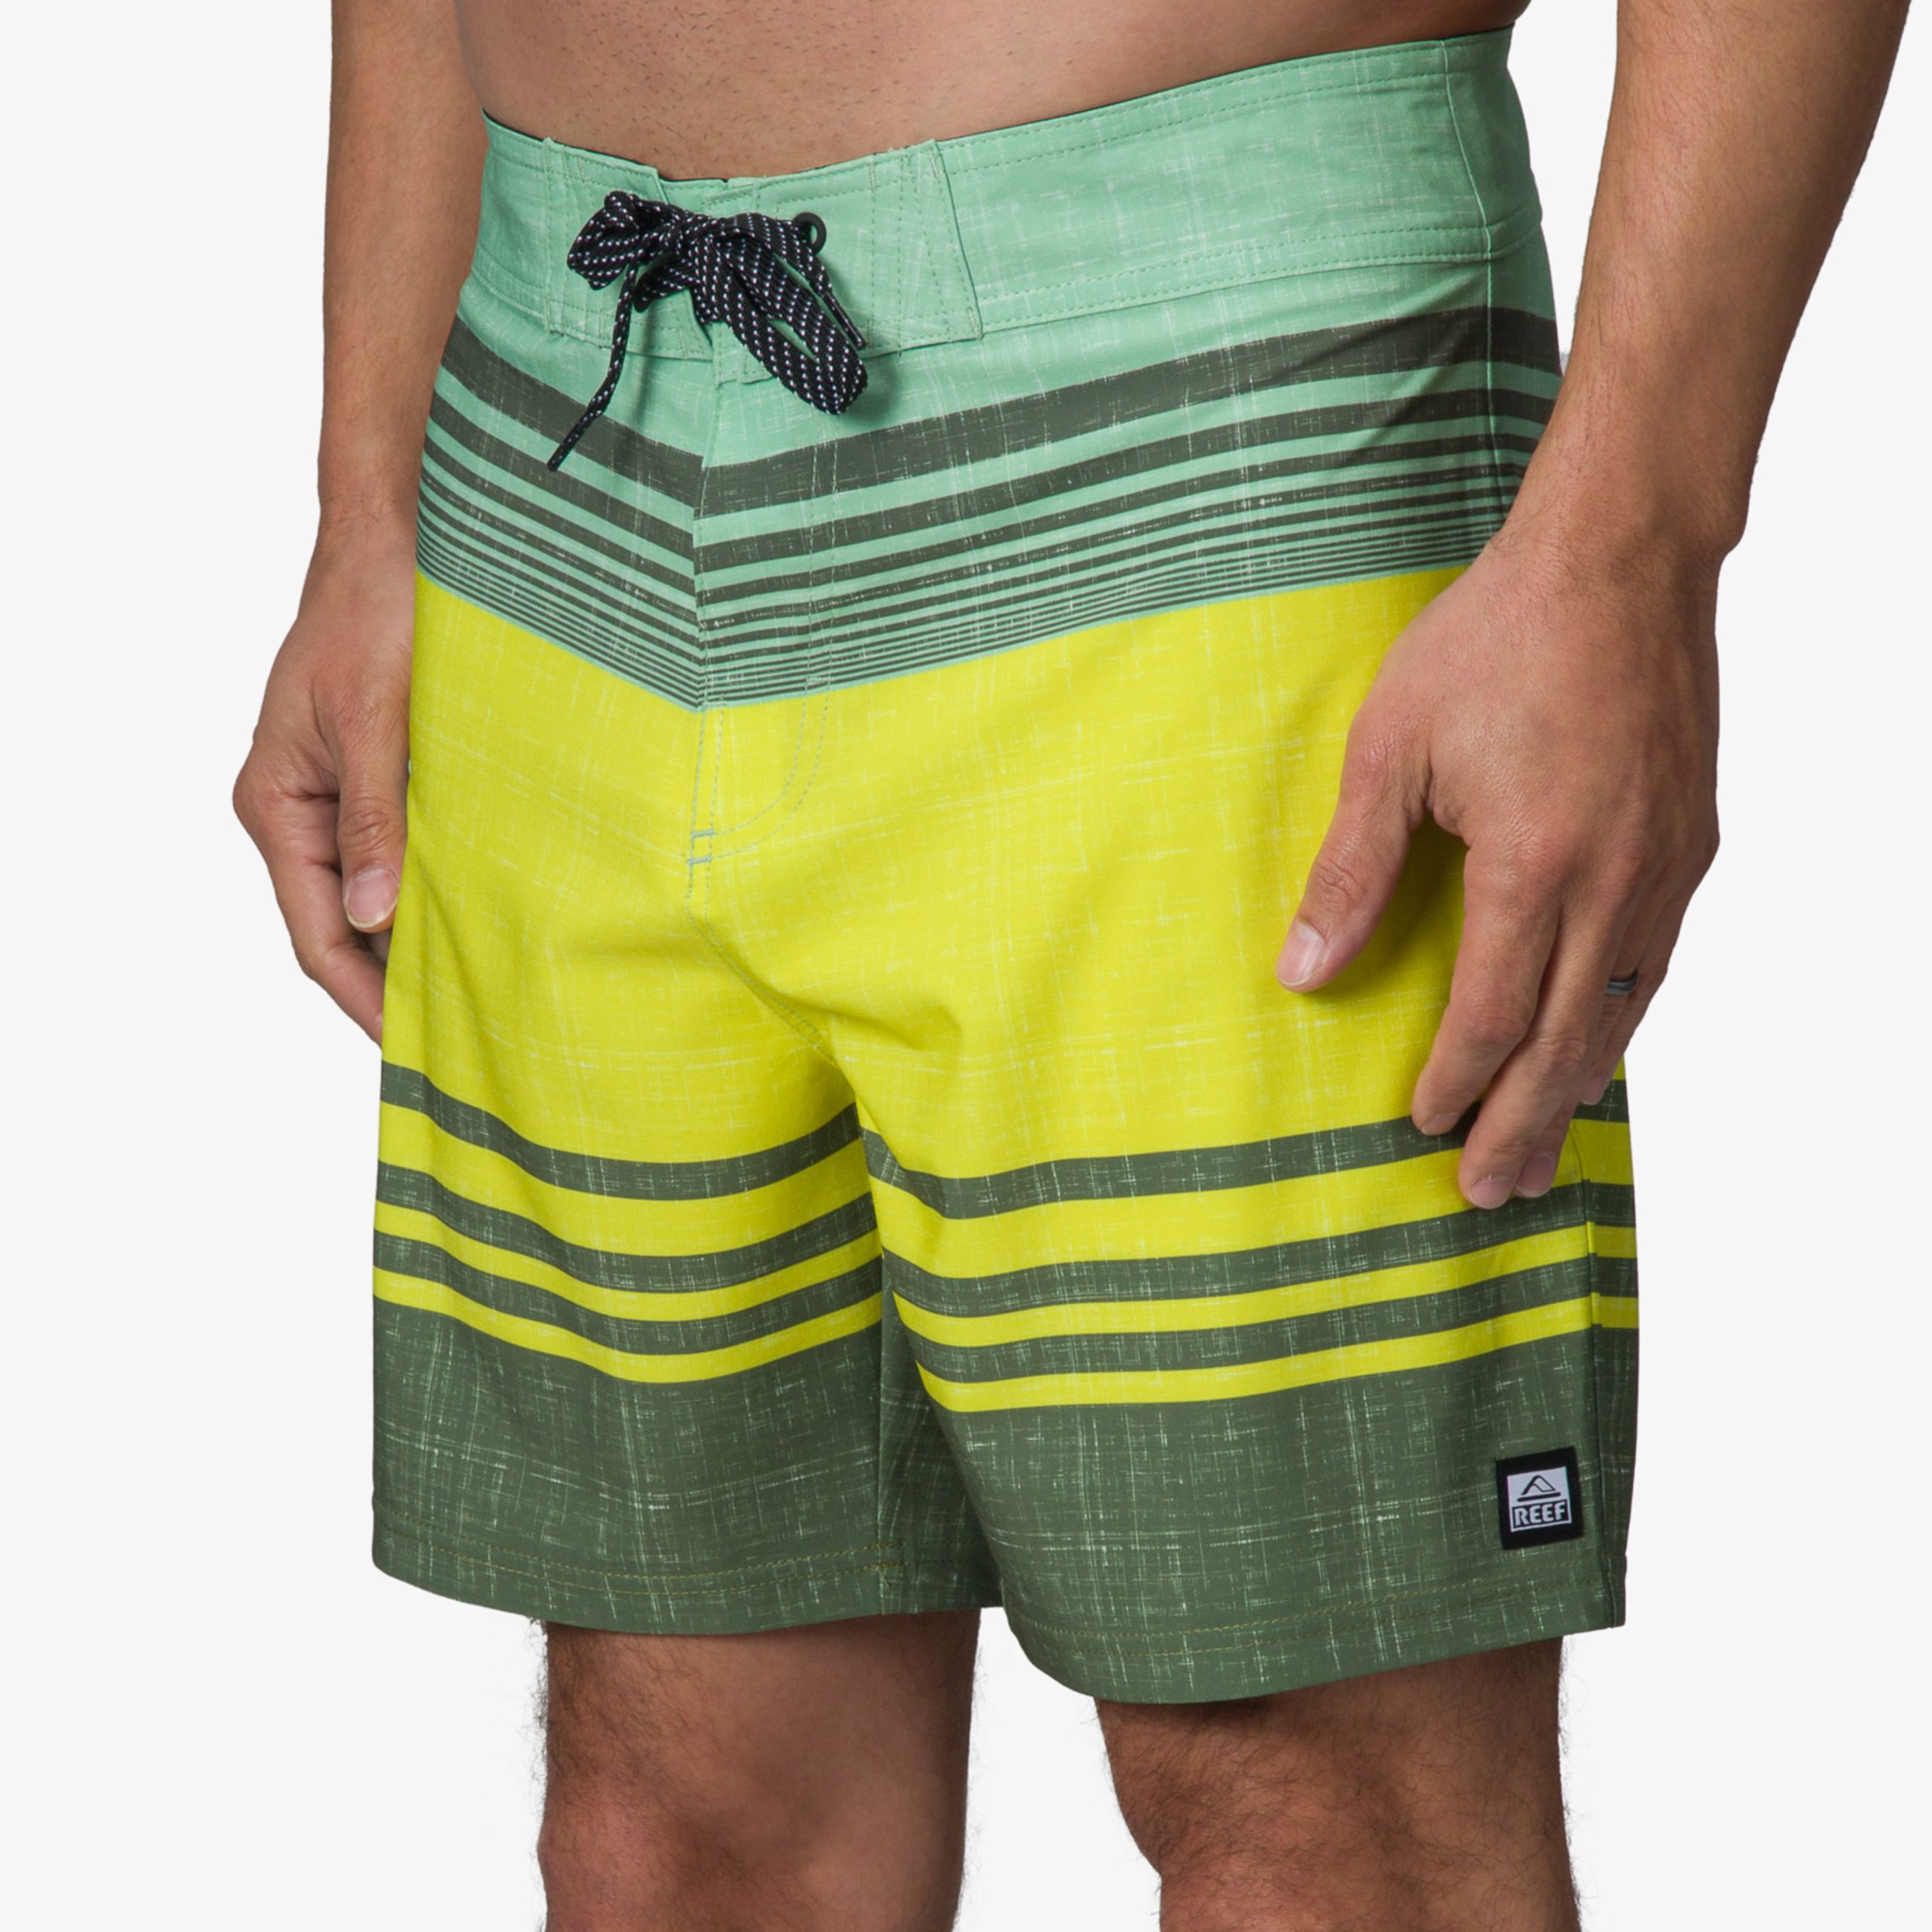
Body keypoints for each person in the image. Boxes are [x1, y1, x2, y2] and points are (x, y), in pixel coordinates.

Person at [233, 1, 1909, 1924]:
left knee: (1314, 1808)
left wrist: (1629, 541)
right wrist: (365, 500)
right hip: (559, 429)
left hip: (1215, 420)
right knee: (681, 1820)